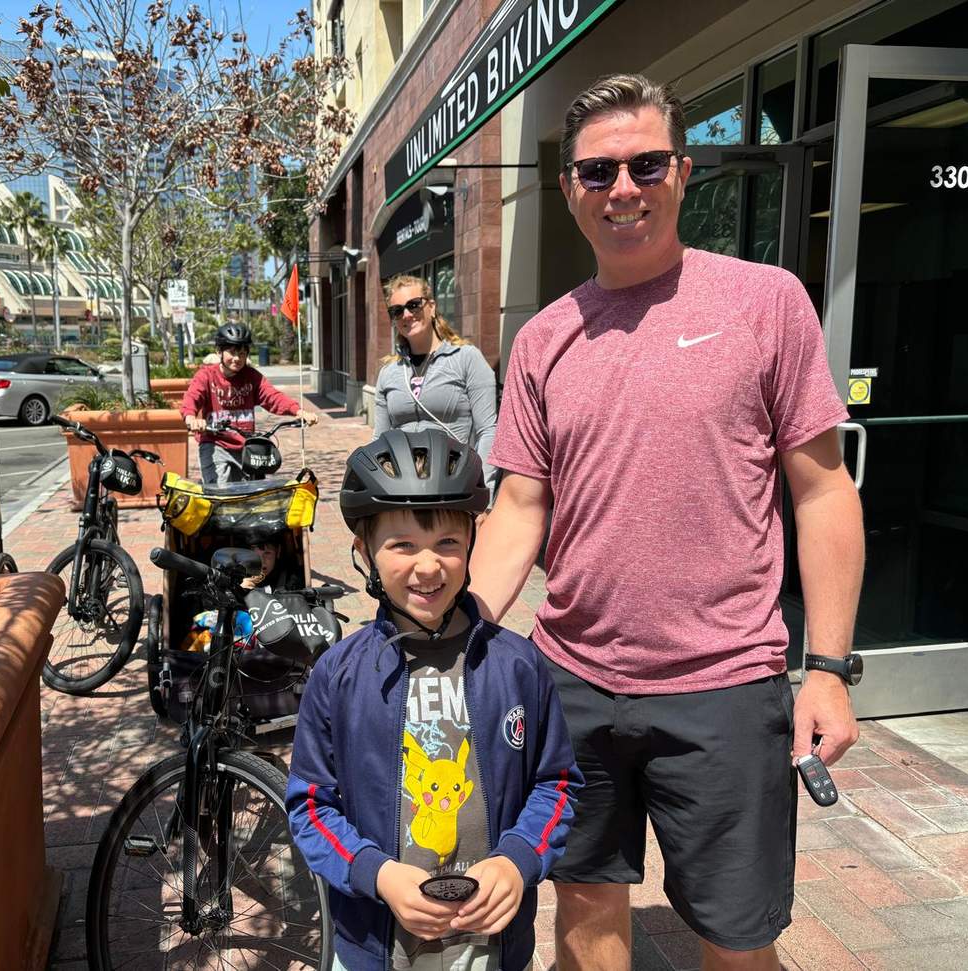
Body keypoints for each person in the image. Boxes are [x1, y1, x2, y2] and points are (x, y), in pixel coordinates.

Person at [469, 74, 865, 971]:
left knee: (736, 935)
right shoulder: (542, 340)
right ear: (568, 188)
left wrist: (830, 668)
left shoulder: (764, 302)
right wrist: (455, 638)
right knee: (582, 905)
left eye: (646, 164)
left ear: (681, 174)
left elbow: (822, 490)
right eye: (597, 171)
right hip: (569, 680)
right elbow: (520, 506)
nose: (622, 188)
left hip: (724, 682)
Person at [286, 429, 583, 971]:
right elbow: (310, 804)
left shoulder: (517, 665)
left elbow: (556, 783)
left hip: (489, 948)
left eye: (447, 542)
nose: (428, 566)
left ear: (472, 544)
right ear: (364, 553)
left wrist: (518, 862)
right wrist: (374, 872)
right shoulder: (338, 674)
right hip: (375, 946)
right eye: (402, 545)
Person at [373, 275, 499, 495]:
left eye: (414, 305)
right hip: (402, 488)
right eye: (397, 310)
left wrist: (483, 495)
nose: (407, 315)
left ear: (431, 307)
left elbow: (488, 431)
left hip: (453, 484)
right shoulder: (389, 372)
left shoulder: (466, 359)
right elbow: (379, 440)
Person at [180, 321, 317, 485]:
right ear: (219, 352)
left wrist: (299, 412)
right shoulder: (206, 376)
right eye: (232, 352)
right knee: (219, 493)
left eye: (243, 353)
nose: (237, 358)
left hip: (246, 446)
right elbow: (192, 398)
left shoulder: (252, 377)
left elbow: (272, 396)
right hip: (215, 444)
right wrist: (191, 419)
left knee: (252, 495)